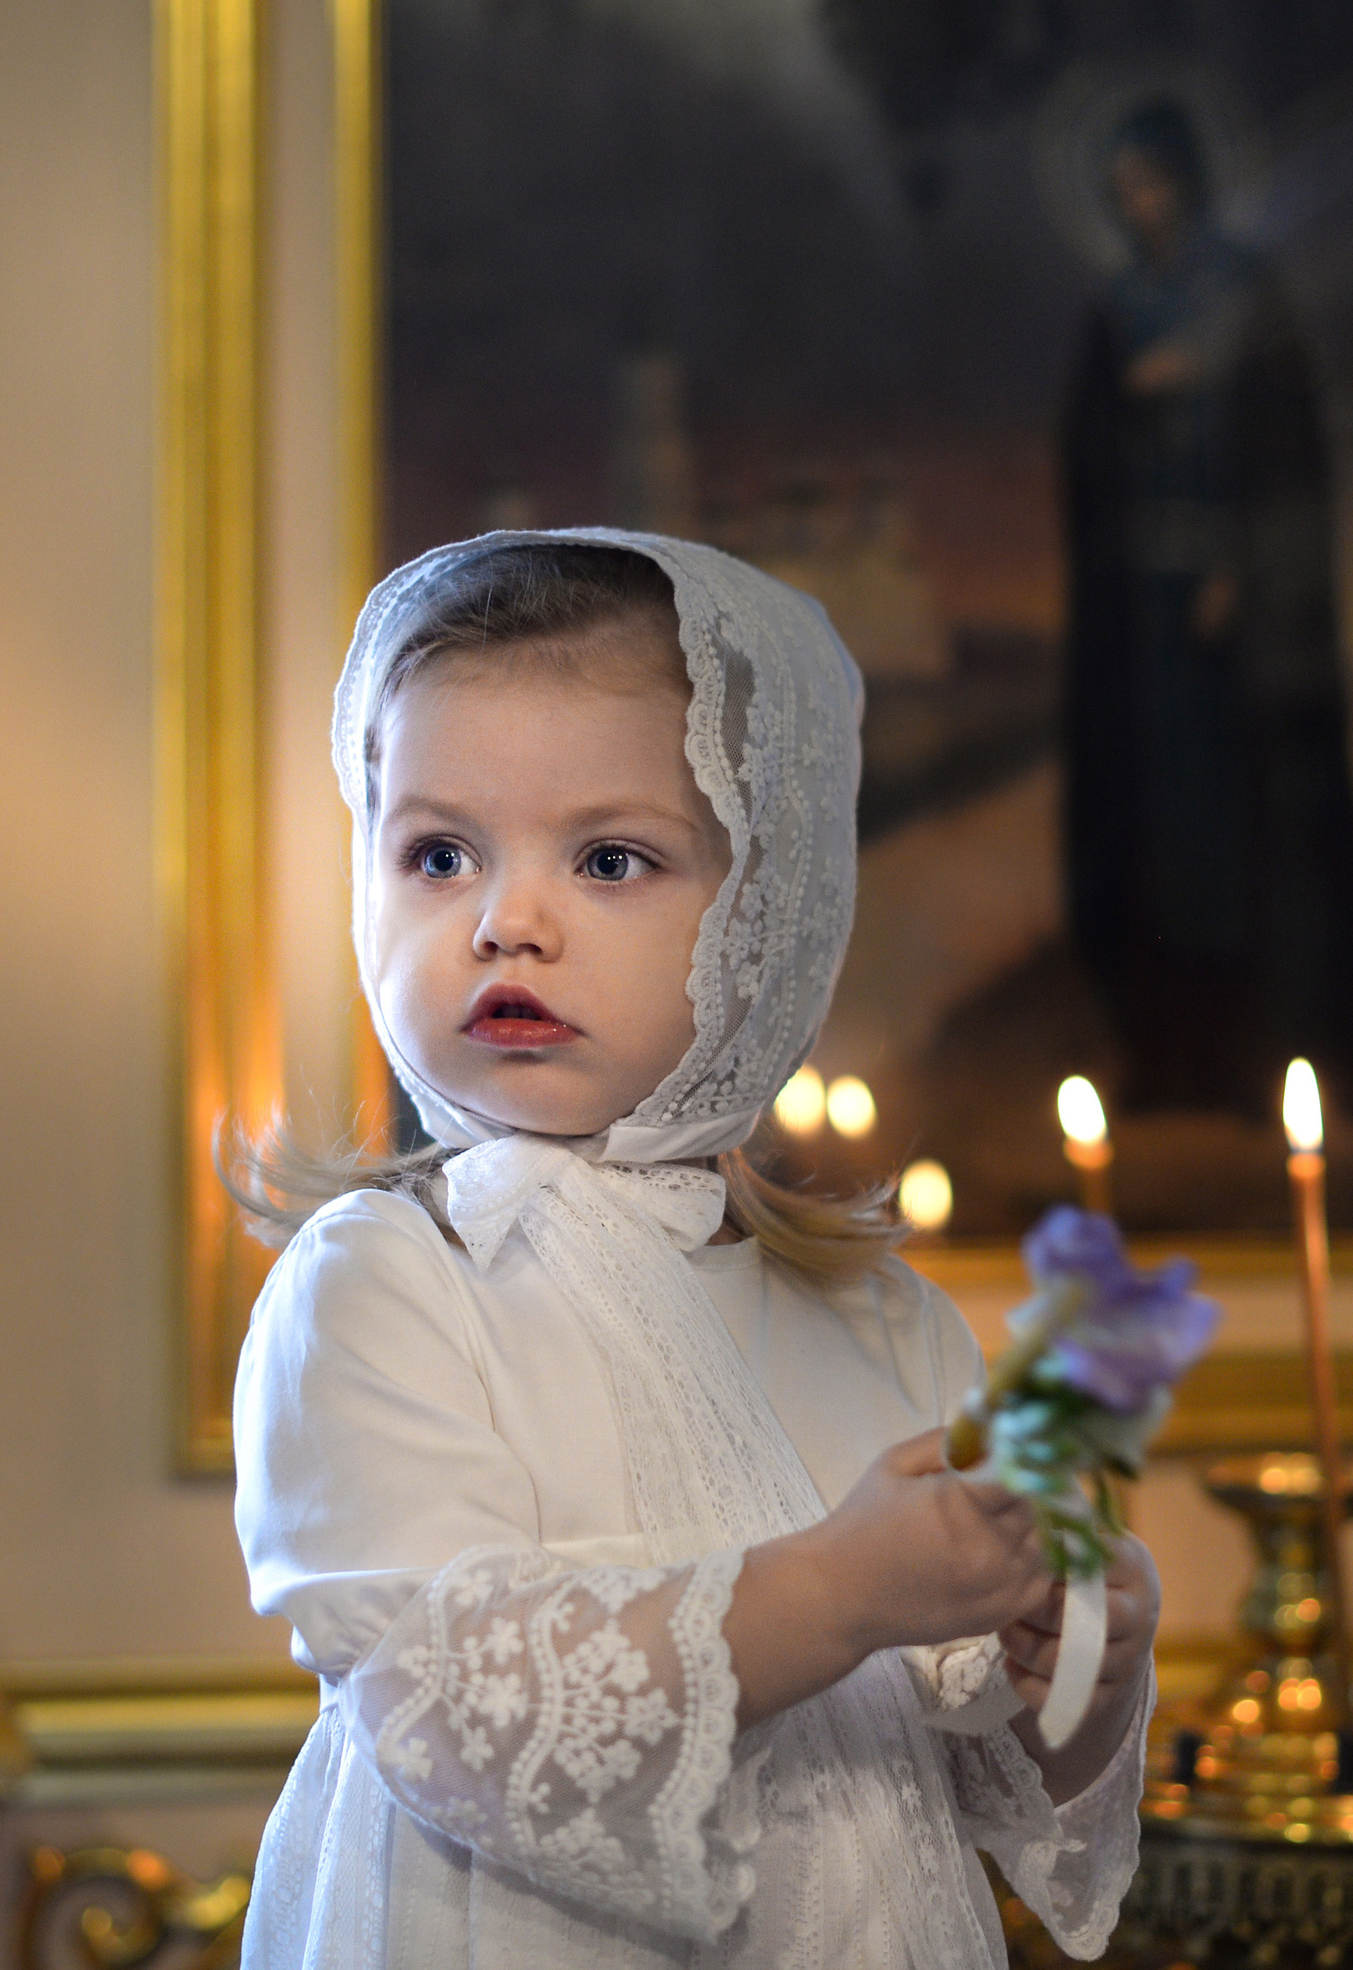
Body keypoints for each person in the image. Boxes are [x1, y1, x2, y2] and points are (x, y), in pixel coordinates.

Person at [227, 531, 1158, 1967]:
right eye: (437, 852)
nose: (504, 921)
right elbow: (456, 1698)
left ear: (769, 918)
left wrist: (1068, 1646)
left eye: (610, 858)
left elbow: (984, 1765)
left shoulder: (882, 1319)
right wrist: (841, 1588)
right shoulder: (381, 1284)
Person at [1059, 99, 1353, 1114]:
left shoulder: (1246, 293)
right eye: (1125, 191)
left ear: (1190, 182)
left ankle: (1270, 1050)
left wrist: (1241, 567)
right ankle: (1171, 1052)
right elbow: (1087, 448)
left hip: (1232, 622)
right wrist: (1131, 402)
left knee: (1246, 834)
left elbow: (1283, 449)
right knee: (1160, 842)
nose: (1142, 205)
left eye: (1154, 183)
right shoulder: (1119, 304)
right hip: (1144, 622)